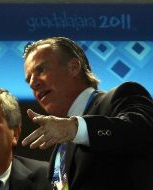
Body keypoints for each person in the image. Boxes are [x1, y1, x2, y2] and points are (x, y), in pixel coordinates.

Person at [21, 36, 153, 190]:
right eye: (29, 79)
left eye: (41, 69)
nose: (32, 83)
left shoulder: (121, 96)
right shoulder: (59, 150)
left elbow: (142, 131)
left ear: (74, 67)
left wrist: (76, 128)